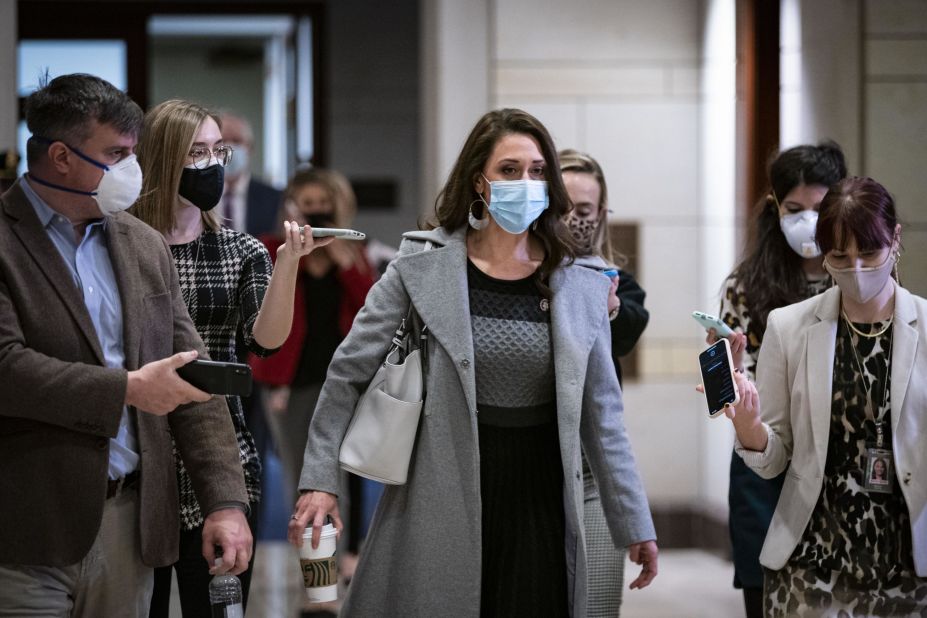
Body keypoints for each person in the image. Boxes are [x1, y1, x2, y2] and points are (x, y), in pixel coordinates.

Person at [288, 108, 658, 616]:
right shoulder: (420, 265)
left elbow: (604, 415)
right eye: (509, 170)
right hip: (441, 487)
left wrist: (634, 521)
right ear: (478, 180)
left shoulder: (579, 280)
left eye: (536, 170)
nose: (525, 182)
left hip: (541, 496)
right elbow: (347, 373)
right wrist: (320, 480)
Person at [0, 73, 251, 617]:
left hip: (130, 521)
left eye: (133, 153)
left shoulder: (141, 243)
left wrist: (225, 503)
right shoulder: (5, 239)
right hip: (27, 526)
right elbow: (7, 367)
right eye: (115, 154)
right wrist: (128, 390)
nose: (131, 170)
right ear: (61, 157)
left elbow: (192, 376)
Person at [130, 99, 329, 617]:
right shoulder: (123, 243)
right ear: (163, 157)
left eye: (219, 150)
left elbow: (266, 340)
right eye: (198, 152)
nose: (215, 163)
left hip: (223, 451)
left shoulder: (240, 250)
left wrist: (286, 268)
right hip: (137, 450)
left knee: (217, 605)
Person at [728, 176, 927, 615]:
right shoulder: (789, 327)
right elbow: (775, 457)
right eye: (840, 255)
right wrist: (751, 430)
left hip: (909, 566)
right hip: (810, 562)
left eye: (869, 253)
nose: (855, 268)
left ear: (895, 239)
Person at [706, 141, 846, 618]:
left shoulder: (857, 280)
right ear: (775, 207)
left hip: (840, 463)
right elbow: (725, 381)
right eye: (795, 209)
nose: (809, 221)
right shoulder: (745, 285)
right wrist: (723, 375)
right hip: (765, 456)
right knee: (765, 590)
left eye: (820, 208)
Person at [249, 167, 375, 553]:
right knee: (301, 476)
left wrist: (341, 257)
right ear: (292, 208)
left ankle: (348, 555)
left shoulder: (352, 250)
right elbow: (268, 311)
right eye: (308, 205)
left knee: (347, 473)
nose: (317, 212)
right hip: (290, 382)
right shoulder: (273, 248)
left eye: (324, 205)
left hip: (343, 379)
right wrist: (300, 249)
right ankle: (315, 568)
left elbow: (371, 308)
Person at [560, 148, 650, 617]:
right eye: (564, 205)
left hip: (592, 468)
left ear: (601, 216)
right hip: (532, 466)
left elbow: (631, 326)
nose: (573, 218)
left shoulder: (619, 282)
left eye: (585, 211)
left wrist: (608, 304)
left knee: (596, 602)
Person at [217, 110, 282, 236]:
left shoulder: (275, 199)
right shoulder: (196, 196)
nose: (229, 147)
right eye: (223, 141)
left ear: (250, 148)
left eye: (237, 141)